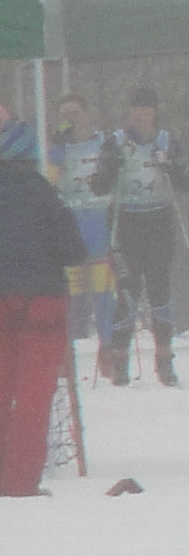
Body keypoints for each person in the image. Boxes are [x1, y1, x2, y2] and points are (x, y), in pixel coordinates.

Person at [1, 123, 76, 492]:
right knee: (33, 395)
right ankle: (20, 479)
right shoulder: (44, 194)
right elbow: (74, 249)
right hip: (42, 301)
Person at [97, 91, 188, 385]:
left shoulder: (166, 141)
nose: (140, 115)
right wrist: (109, 170)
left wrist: (171, 168)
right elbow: (99, 184)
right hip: (126, 222)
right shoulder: (116, 142)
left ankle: (164, 360)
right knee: (128, 290)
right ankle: (120, 359)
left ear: (154, 113)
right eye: (135, 109)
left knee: (160, 290)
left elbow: (186, 183)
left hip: (159, 221)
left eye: (145, 110)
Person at [42, 97, 112, 376]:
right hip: (70, 227)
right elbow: (49, 181)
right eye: (64, 115)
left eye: (74, 113)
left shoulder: (104, 143)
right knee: (70, 294)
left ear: (87, 114)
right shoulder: (58, 148)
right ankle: (64, 353)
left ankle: (107, 350)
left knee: (103, 293)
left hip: (99, 225)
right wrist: (55, 153)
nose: (70, 119)